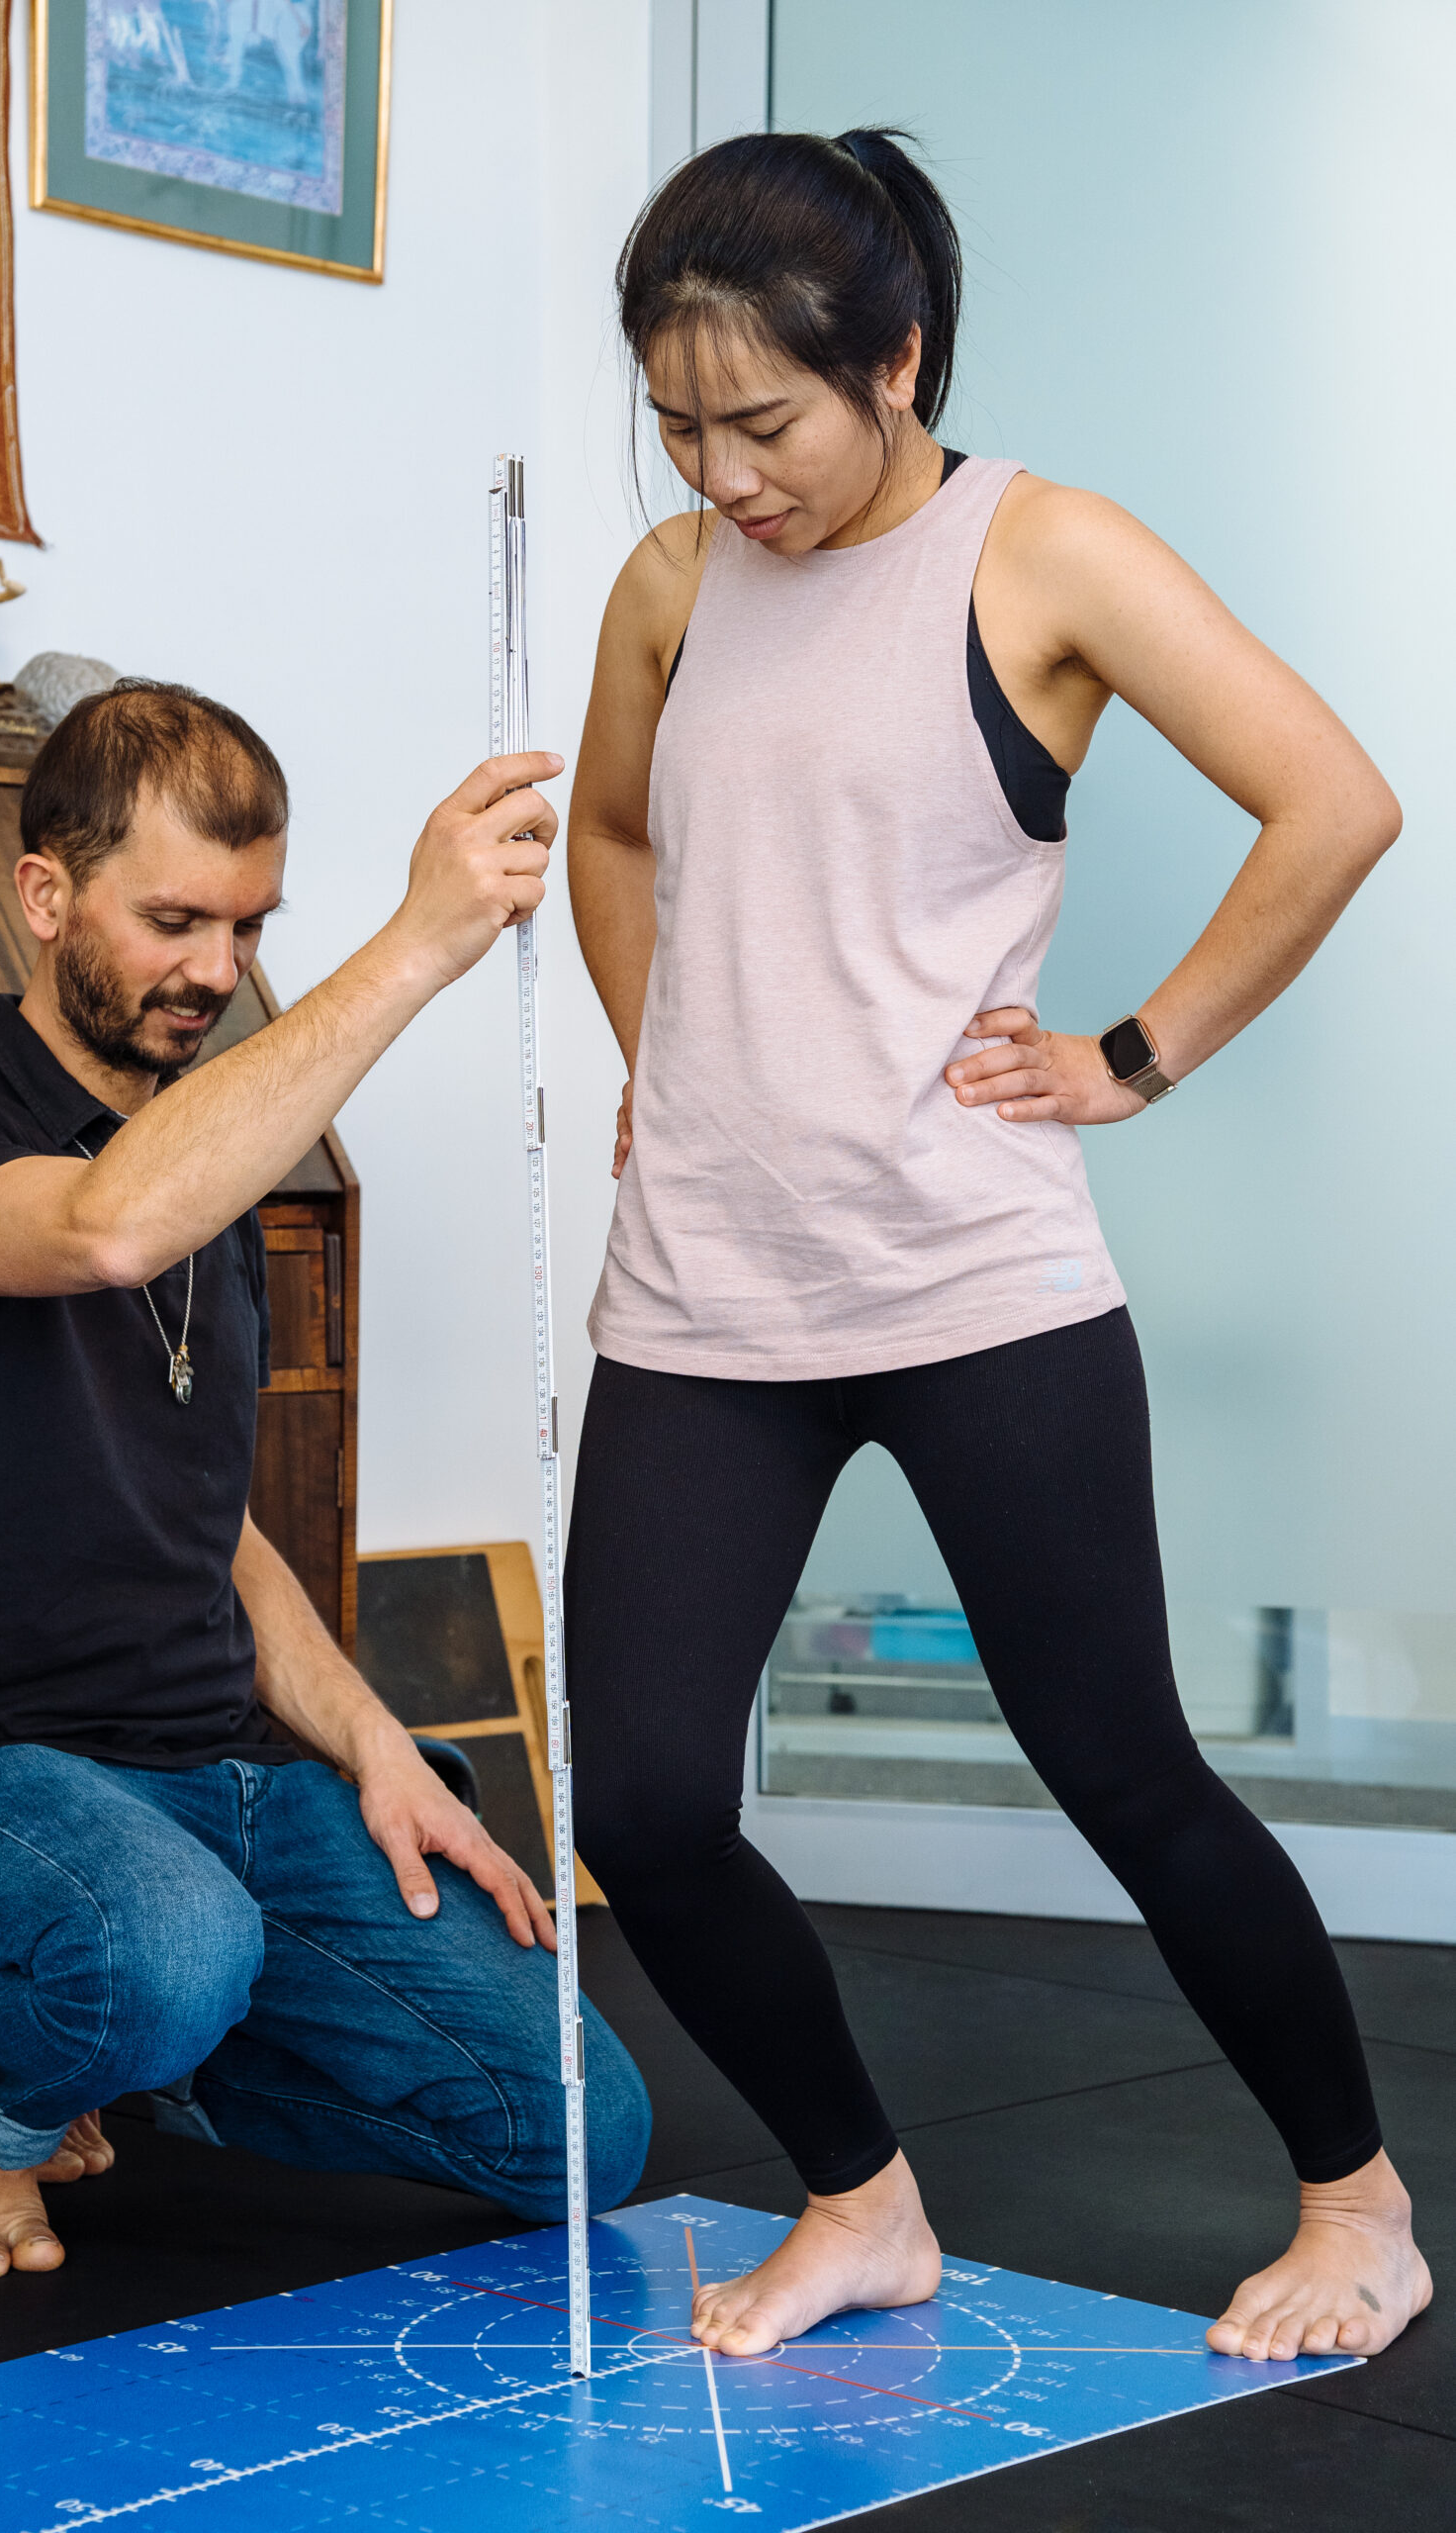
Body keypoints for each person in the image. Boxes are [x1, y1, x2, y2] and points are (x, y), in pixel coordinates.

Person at [565, 130, 1428, 2367]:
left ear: (896, 361)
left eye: (761, 420)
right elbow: (613, 818)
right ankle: (859, 2199)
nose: (721, 471)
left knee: (1120, 1762)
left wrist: (1130, 1054)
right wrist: (657, 1043)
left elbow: (1330, 796)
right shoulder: (670, 582)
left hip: (970, 1279)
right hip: (706, 1288)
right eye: (678, 421)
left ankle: (1354, 2196)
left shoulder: (1034, 552)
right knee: (648, 1798)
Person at [0, 679, 650, 2280]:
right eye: (175, 920)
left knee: (582, 2132)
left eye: (251, 925)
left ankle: (121, 2039)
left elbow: (215, 1529)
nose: (218, 971)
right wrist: (418, 942)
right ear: (45, 894)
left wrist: (378, 1745)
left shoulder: (227, 1162)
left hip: (220, 1795)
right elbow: (104, 1223)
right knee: (163, 1944)